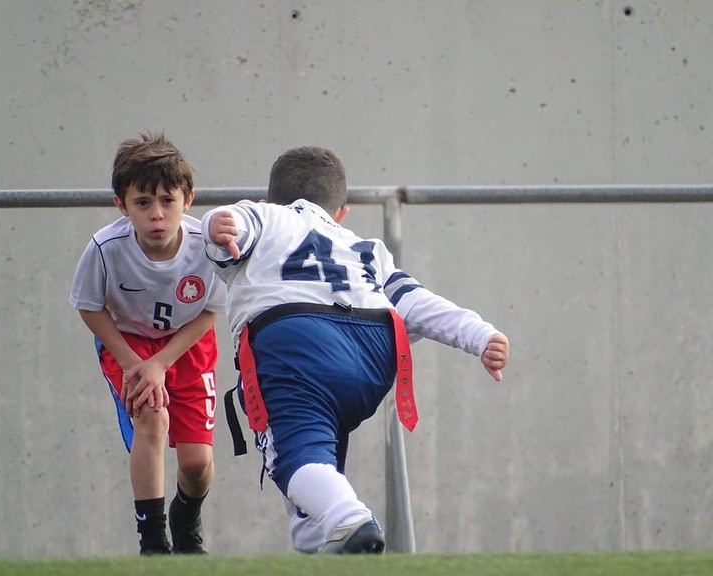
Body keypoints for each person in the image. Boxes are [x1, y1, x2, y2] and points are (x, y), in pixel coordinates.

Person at [200, 145, 510, 554]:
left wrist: (216, 227)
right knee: (319, 459)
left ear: (268, 196)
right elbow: (415, 301)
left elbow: (232, 224)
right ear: (341, 212)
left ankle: (350, 518)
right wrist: (480, 334)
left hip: (295, 338)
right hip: (373, 350)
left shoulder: (266, 214)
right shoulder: (366, 248)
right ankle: (322, 542)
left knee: (293, 456)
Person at [69, 132, 227, 555]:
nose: (157, 215)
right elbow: (88, 306)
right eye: (143, 203)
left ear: (187, 199)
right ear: (122, 205)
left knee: (196, 465)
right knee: (152, 416)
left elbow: (212, 309)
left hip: (188, 346)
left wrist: (163, 361)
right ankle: (153, 542)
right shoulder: (105, 248)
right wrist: (136, 363)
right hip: (129, 346)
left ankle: (186, 514)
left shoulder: (205, 248)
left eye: (167, 201)